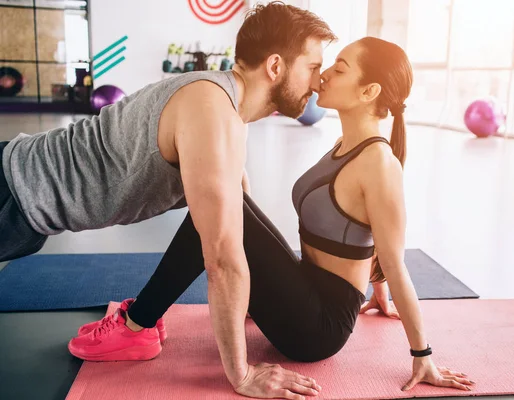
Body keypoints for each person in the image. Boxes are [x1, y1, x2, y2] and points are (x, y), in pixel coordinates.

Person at [68, 35, 475, 399]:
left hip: (316, 330)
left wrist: (422, 355)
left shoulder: (379, 163)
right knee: (222, 202)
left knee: (221, 206)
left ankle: (138, 324)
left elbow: (395, 259)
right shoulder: (345, 144)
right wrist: (375, 288)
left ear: (369, 90)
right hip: (304, 290)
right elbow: (359, 231)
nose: (325, 74)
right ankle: (145, 317)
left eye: (340, 68)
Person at [0, 2, 337, 398]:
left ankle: (135, 326)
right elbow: (223, 259)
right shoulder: (211, 113)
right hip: (10, 191)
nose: (318, 82)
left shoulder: (224, 107)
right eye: (313, 67)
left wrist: (248, 298)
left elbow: (237, 214)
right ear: (276, 66)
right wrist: (241, 374)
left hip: (24, 206)